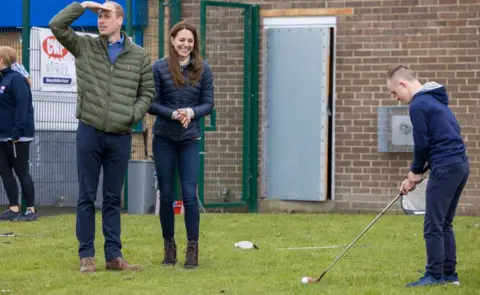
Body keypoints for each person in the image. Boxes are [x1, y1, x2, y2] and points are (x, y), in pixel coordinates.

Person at [49, 1, 154, 272]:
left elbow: (147, 93)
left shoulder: (139, 55)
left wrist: (132, 115)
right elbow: (56, 25)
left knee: (112, 198)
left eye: (106, 15)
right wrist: (82, 5)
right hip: (89, 131)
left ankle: (113, 257)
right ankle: (86, 256)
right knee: (86, 195)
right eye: (99, 15)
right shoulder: (84, 46)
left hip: (120, 135)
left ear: (120, 21)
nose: (101, 20)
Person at [387, 65, 469, 287]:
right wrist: (417, 173)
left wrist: (414, 172)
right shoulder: (436, 101)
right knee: (444, 223)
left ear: (403, 84)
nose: (396, 98)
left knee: (433, 224)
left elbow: (422, 144)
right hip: (459, 166)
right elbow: (438, 142)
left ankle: (434, 276)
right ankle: (449, 276)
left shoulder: (419, 105)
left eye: (394, 92)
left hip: (446, 167)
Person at [148, 21, 214, 269]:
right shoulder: (158, 68)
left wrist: (190, 111)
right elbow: (151, 103)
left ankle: (192, 249)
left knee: (189, 194)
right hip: (164, 137)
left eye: (190, 41)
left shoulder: (203, 69)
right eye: (181, 40)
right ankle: (169, 246)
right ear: (172, 40)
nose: (186, 45)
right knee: (166, 195)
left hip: (189, 139)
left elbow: (208, 103)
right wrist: (174, 114)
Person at [0, 46, 37, 222]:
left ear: (2, 59)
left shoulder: (17, 80)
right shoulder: (3, 79)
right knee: (4, 171)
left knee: (21, 171)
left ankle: (30, 209)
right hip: (2, 135)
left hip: (18, 136)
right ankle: (13, 208)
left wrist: (15, 132)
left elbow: (22, 107)